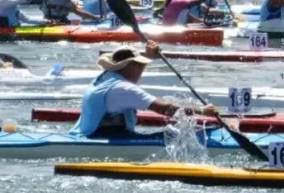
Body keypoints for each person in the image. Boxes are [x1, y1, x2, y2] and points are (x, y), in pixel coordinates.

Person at [68, 43, 219, 137]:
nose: (142, 70)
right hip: (103, 138)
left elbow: (130, 62)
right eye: (142, 66)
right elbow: (166, 109)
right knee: (177, 135)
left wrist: (149, 55)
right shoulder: (124, 89)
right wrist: (202, 111)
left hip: (84, 133)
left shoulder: (104, 76)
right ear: (133, 66)